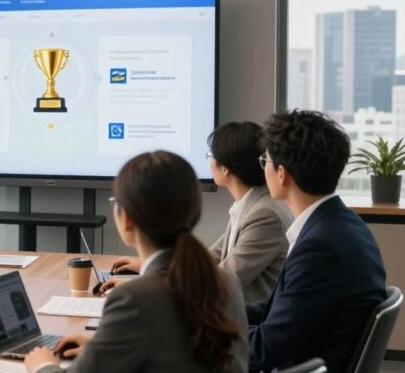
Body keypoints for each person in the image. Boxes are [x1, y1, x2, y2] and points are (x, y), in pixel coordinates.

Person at [24, 151, 248, 373]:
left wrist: (42, 365)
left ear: (125, 218)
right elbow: (178, 348)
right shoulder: (224, 280)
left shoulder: (135, 298)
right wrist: (100, 347)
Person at [249, 110, 386, 373]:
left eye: (265, 160)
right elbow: (273, 312)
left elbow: (266, 350)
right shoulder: (339, 224)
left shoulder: (321, 246)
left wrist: (186, 341)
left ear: (282, 173)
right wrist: (206, 314)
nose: (262, 167)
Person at [110, 122, 291, 303]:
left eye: (211, 155)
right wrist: (150, 267)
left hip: (246, 321)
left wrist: (142, 287)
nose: (209, 160)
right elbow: (209, 259)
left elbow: (222, 279)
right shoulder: (248, 205)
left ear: (225, 168)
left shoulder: (265, 214)